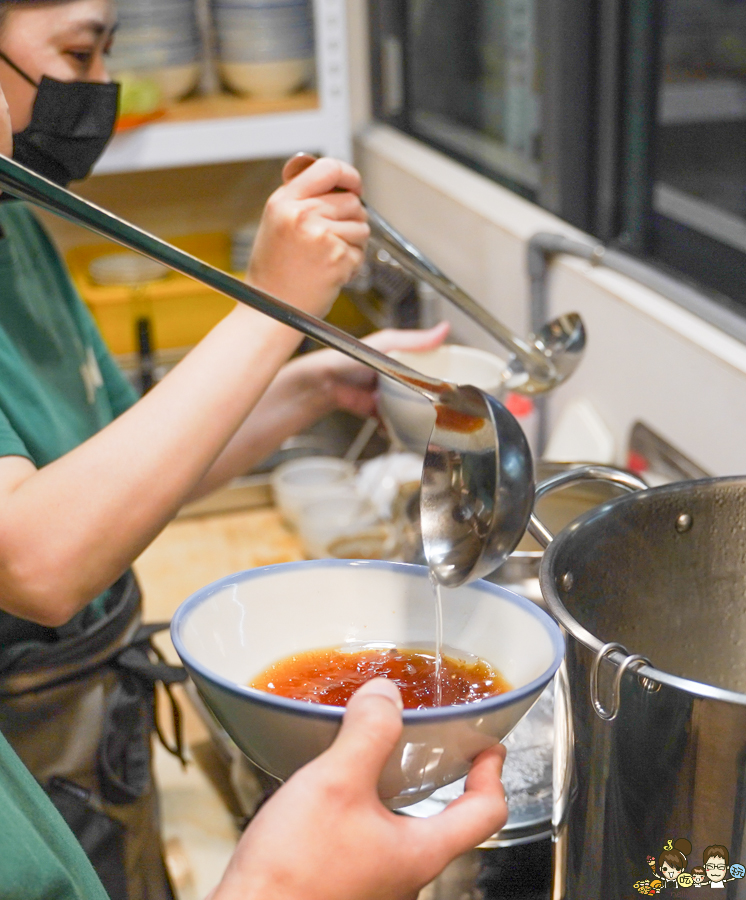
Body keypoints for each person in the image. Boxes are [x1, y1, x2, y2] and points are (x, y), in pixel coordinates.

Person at [0, 1, 459, 897]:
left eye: (108, 55)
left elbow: (121, 472)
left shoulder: (18, 223)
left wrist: (311, 382)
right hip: (36, 735)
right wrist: (271, 305)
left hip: (94, 736)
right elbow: (39, 557)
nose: (100, 89)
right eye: (79, 52)